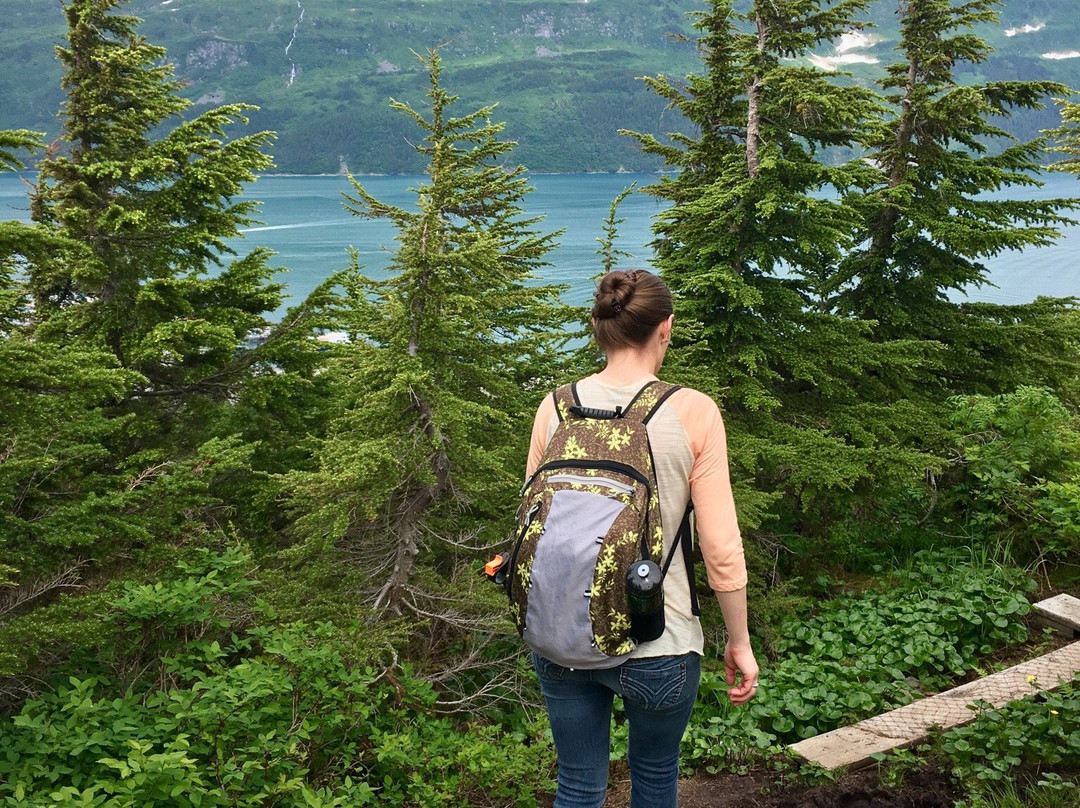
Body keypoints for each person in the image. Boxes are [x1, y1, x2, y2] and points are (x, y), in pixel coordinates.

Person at [527, 268, 758, 808]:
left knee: (578, 785)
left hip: (563, 634)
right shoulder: (693, 411)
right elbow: (721, 546)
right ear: (666, 328)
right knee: (655, 778)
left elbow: (532, 526)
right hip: (660, 639)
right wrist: (738, 642)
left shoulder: (555, 407)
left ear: (598, 328)